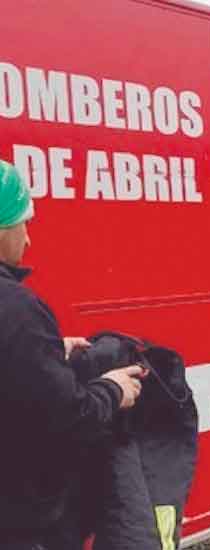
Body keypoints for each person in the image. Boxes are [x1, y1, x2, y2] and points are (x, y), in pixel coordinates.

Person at [0, 160, 145, 549]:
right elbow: (69, 415)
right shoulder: (17, 308)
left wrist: (43, 353)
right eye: (22, 223)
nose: (27, 239)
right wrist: (114, 390)